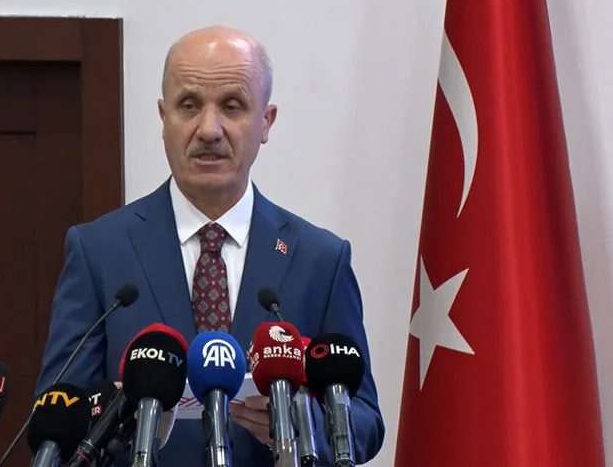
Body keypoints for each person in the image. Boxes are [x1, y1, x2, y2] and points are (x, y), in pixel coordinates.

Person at [35, 25, 385, 466]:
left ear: (266, 122)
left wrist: (300, 423)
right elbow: (55, 414)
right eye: (189, 105)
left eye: (232, 106)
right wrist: (122, 417)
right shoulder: (98, 251)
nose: (209, 129)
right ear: (163, 117)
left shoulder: (321, 260)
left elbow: (366, 423)